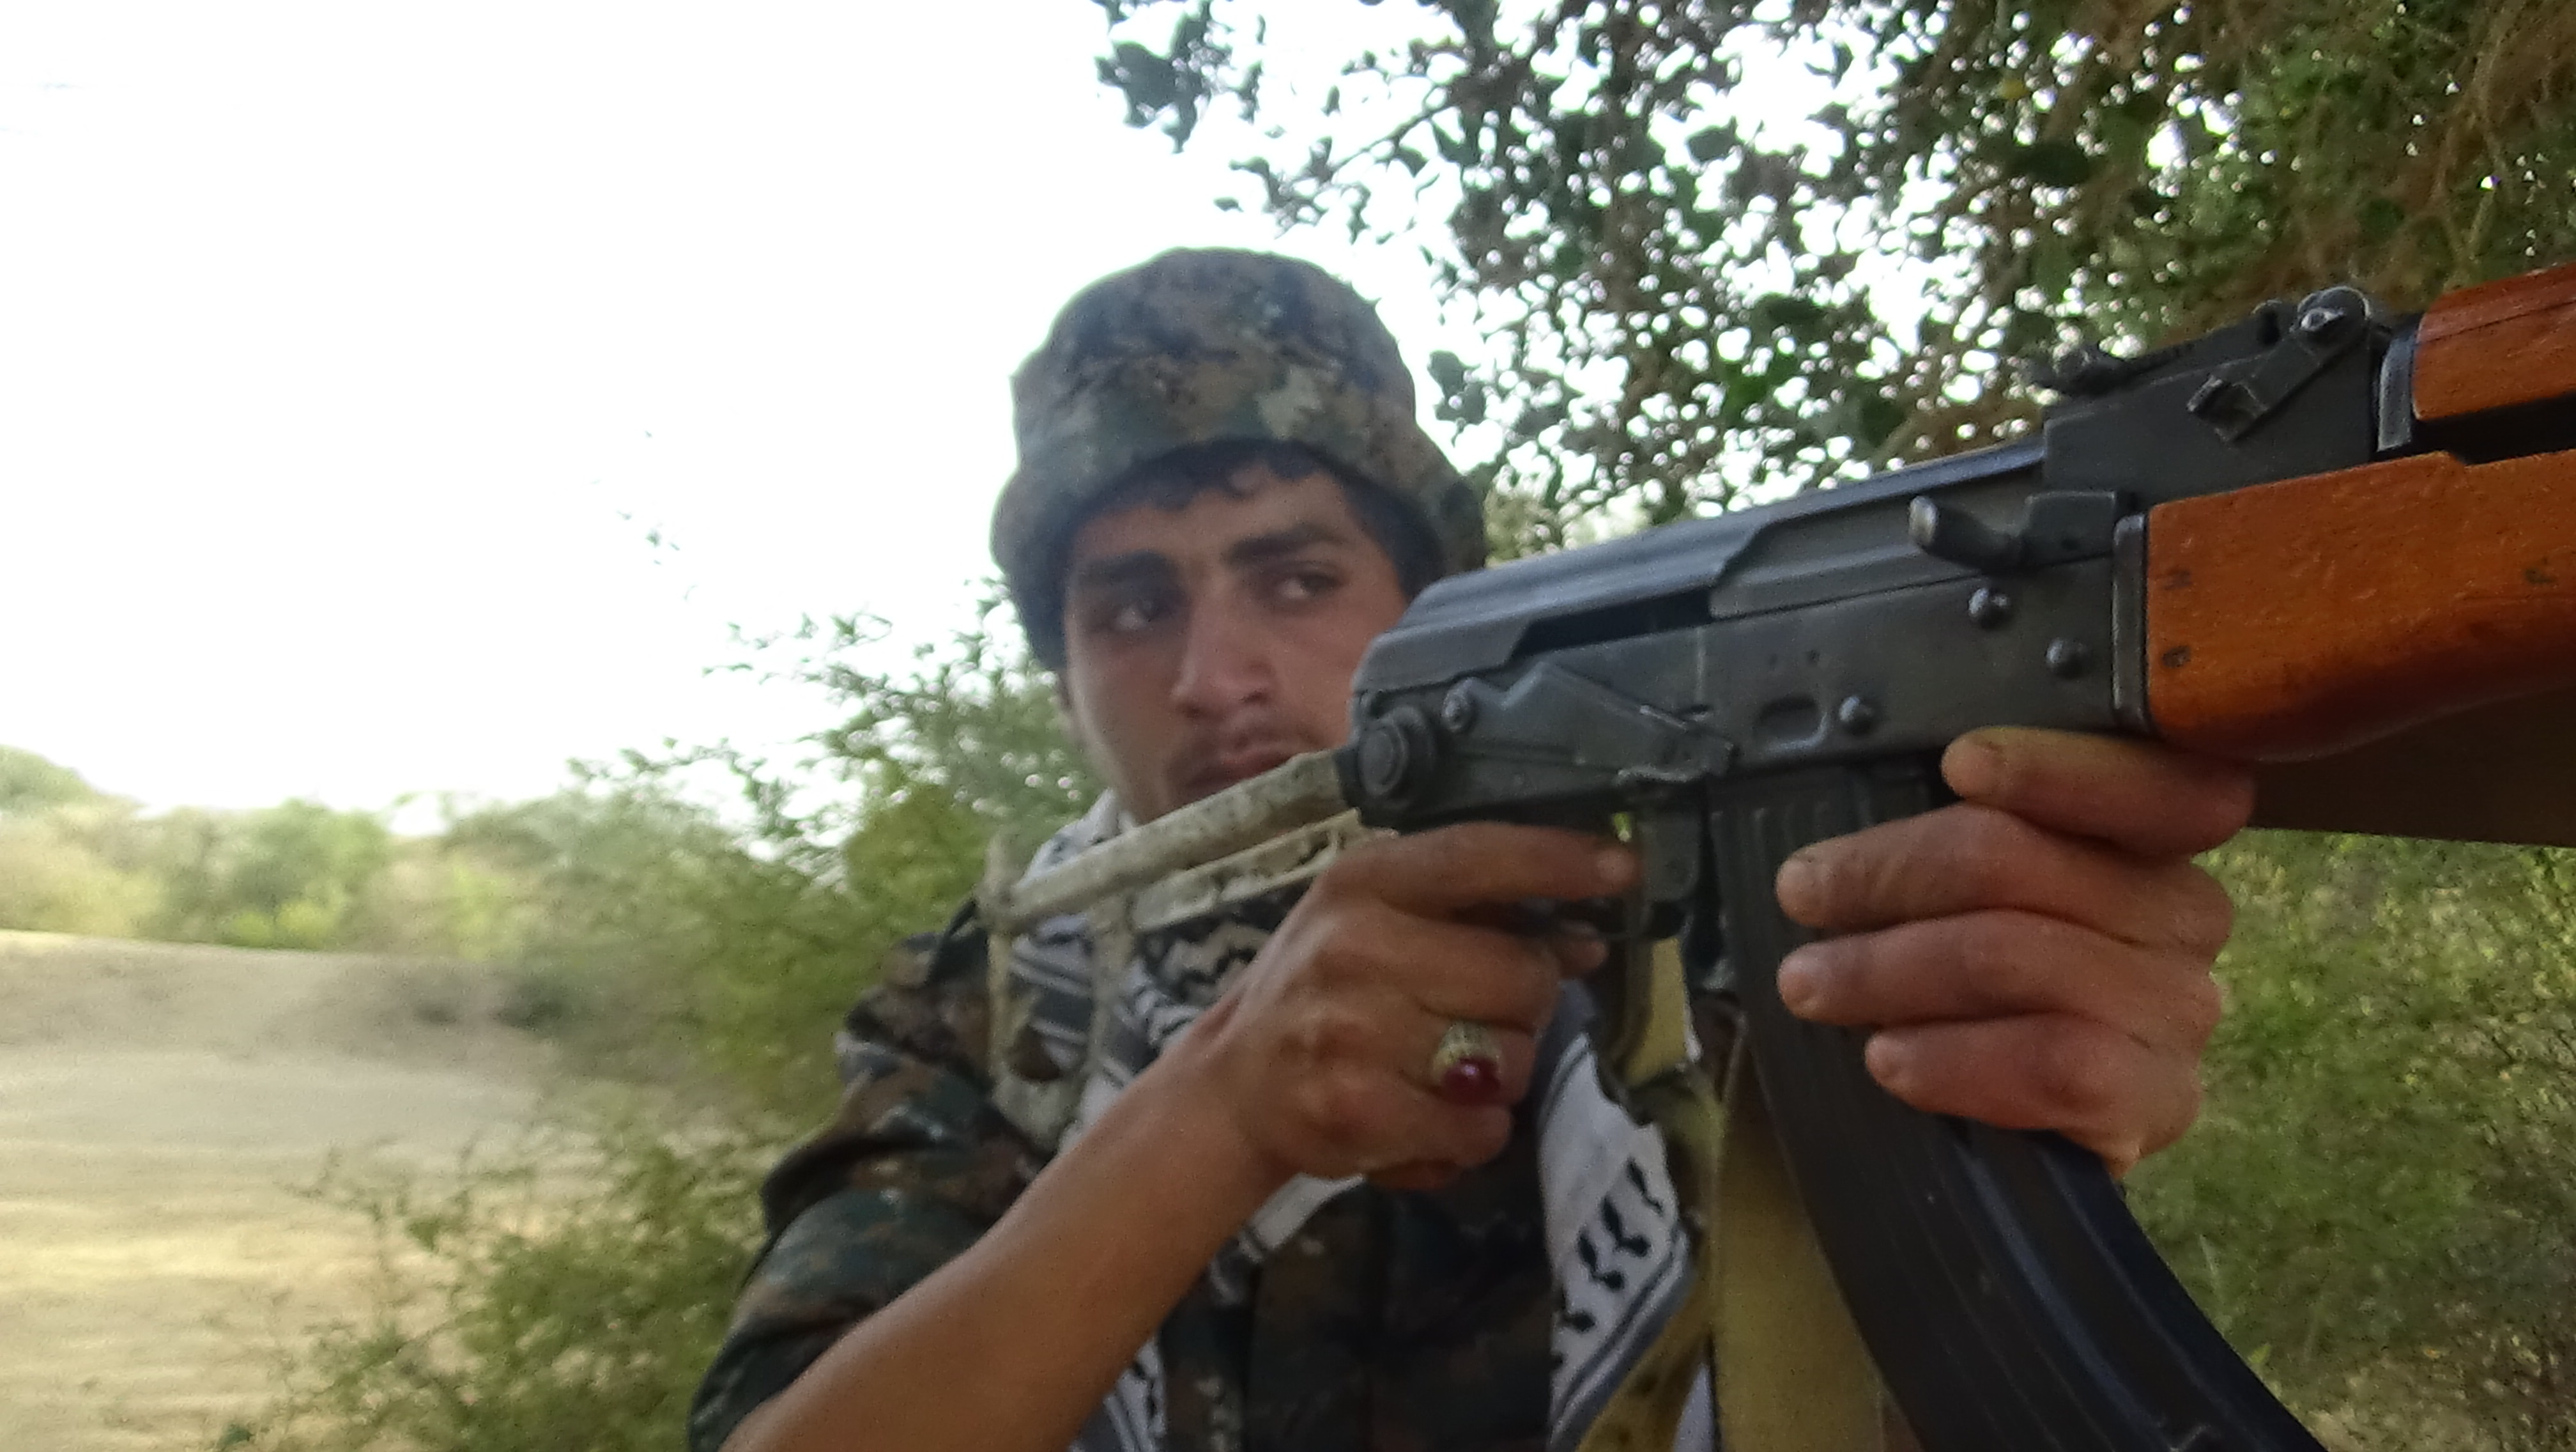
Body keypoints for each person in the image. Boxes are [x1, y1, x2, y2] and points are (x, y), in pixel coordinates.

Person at [689, 250, 2251, 1452]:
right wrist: (1218, 1111)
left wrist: (2010, 1121)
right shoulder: (991, 1012)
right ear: (1065, 678)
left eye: (1295, 579)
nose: (1212, 676)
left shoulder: (1669, 915)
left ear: (1429, 611)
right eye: (1134, 607)